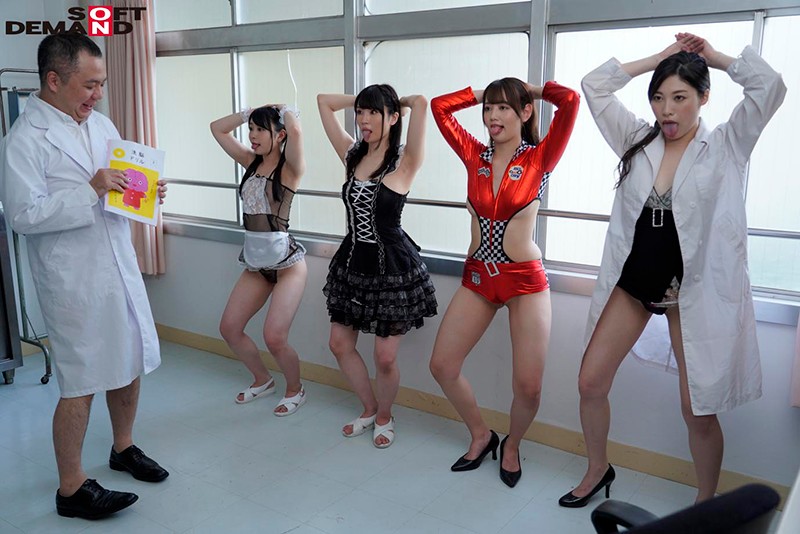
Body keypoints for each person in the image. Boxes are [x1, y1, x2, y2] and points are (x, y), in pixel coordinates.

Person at [559, 33, 786, 508]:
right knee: (590, 382)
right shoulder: (637, 138)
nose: (667, 110)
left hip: (691, 292)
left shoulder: (726, 144)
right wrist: (658, 59)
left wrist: (715, 57)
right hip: (634, 281)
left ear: (704, 97)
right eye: (659, 98)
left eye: (680, 98)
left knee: (697, 408)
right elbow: (594, 85)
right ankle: (598, 468)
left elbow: (769, 86)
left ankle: (705, 502)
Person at [0, 33, 169, 519]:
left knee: (129, 357)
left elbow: (118, 186)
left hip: (116, 263)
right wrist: (90, 190)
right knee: (81, 379)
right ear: (54, 80)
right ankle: (71, 488)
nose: (98, 95)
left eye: (102, 84)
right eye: (90, 85)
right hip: (72, 279)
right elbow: (23, 216)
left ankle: (123, 447)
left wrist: (145, 192)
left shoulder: (101, 124)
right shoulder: (24, 140)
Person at [430, 77, 579, 487]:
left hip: (525, 282)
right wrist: (485, 93)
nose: (492, 116)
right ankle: (482, 435)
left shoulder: (540, 157)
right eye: (489, 108)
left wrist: (533, 90)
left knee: (529, 387)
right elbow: (439, 107)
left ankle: (512, 445)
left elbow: (570, 101)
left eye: (503, 108)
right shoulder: (473, 154)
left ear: (525, 113)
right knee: (442, 365)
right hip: (479, 278)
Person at [317, 85, 437, 449]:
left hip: (392, 268)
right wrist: (369, 100)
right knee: (339, 344)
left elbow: (421, 102)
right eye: (360, 112)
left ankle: (385, 415)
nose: (363, 120)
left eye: (372, 112)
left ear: (393, 118)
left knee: (385, 357)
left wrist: (399, 103)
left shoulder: (405, 159)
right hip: (353, 263)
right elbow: (323, 102)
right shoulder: (353, 154)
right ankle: (369, 408)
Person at [211, 104, 308, 416]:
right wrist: (249, 113)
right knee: (229, 328)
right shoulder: (251, 162)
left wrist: (285, 108)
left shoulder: (290, 169)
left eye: (260, 130)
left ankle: (295, 389)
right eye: (251, 129)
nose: (252, 135)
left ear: (279, 135)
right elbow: (217, 128)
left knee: (274, 337)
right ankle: (262, 379)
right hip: (256, 264)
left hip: (288, 265)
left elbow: (296, 130)